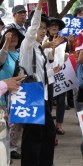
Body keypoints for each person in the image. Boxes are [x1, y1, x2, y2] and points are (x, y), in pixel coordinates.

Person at [18, 0, 61, 165]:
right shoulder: (27, 45)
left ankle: (44, 162)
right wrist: (38, 7)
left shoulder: (38, 48)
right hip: (30, 95)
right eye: (41, 28)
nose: (43, 31)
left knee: (47, 132)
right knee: (33, 135)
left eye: (45, 28)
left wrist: (52, 71)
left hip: (39, 94)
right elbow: (33, 27)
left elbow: (39, 74)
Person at [0, 26, 25, 160]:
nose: (13, 37)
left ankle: (13, 147)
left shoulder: (21, 54)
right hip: (3, 95)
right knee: (5, 123)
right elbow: (1, 58)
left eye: (16, 35)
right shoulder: (3, 52)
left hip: (18, 93)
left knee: (17, 122)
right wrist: (6, 42)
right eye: (10, 35)